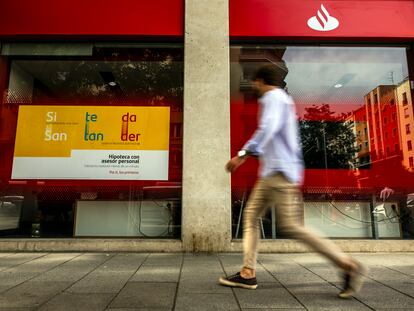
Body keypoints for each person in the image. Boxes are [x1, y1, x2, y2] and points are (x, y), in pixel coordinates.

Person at [219, 64, 366, 298]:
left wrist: (242, 154)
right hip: (274, 174)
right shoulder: (282, 100)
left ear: (260, 81)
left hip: (279, 174)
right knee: (251, 216)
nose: (254, 86)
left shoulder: (273, 98)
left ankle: (347, 264)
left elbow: (268, 128)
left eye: (255, 82)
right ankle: (247, 272)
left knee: (291, 227)